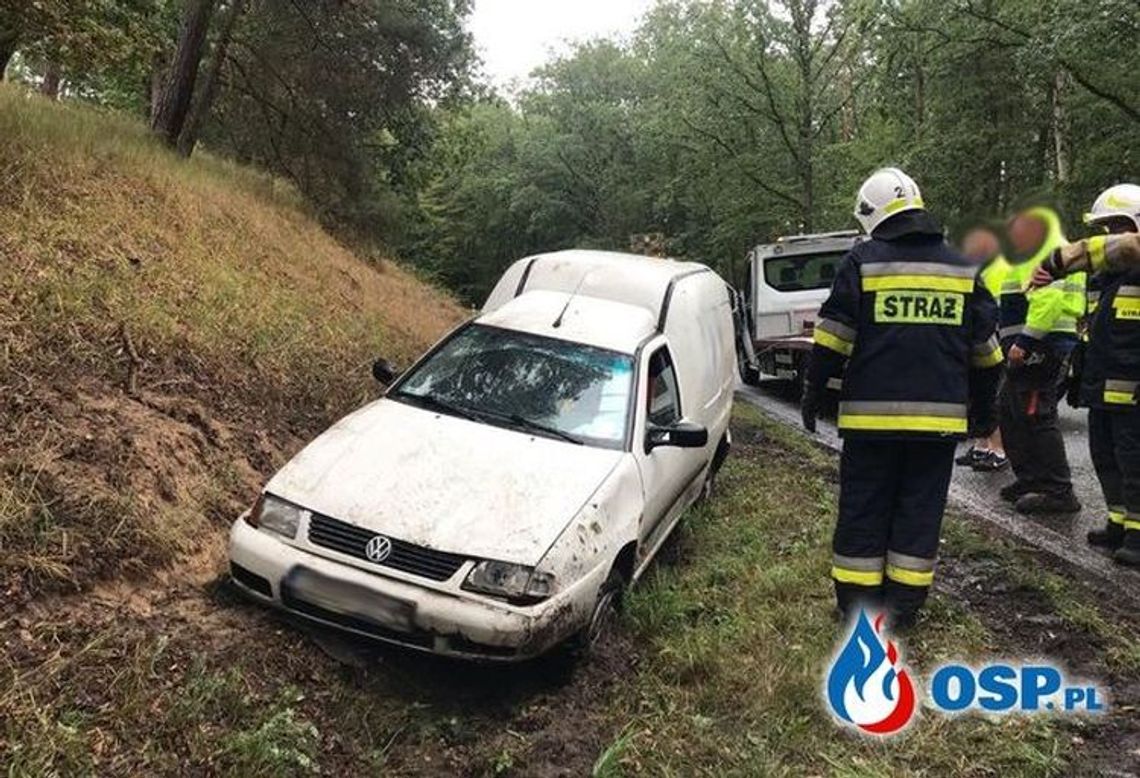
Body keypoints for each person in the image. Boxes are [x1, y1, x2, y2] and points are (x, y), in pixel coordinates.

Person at [802, 167, 1002, 627]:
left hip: (870, 426)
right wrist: (985, 410)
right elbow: (987, 355)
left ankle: (856, 607)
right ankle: (903, 611)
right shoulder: (962, 268)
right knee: (919, 512)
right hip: (936, 428)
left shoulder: (861, 263)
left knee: (864, 508)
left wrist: (814, 390)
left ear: (872, 214)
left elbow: (833, 339)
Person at [1035, 184, 1140, 566]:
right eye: (1106, 228)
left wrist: (1056, 261)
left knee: (1135, 463)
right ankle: (1118, 522)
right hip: (1101, 384)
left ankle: (1138, 535)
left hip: (1133, 389)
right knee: (1106, 458)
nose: (1111, 237)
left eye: (1118, 226)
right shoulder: (1103, 280)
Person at [996, 207, 1085, 514]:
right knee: (1011, 410)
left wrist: (1024, 341)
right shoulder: (1030, 252)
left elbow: (1048, 298)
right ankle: (1032, 478)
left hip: (1043, 344)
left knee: (1037, 414)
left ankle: (1058, 489)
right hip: (1032, 344)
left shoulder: (1048, 251)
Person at [955, 226, 1010, 472]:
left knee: (988, 398)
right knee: (975, 397)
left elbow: (989, 309)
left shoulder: (1002, 266)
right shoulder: (980, 268)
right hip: (981, 336)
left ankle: (997, 450)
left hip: (989, 337)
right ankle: (980, 447)